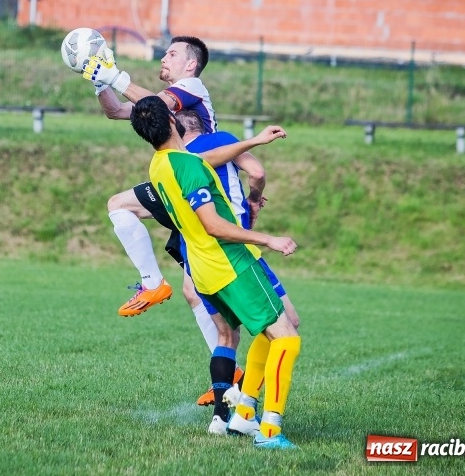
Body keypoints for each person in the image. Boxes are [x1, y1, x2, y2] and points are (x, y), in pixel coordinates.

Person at [129, 95, 302, 449]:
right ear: (173, 122)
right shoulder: (188, 167)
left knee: (266, 333)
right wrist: (267, 239)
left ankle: (243, 415)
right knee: (287, 338)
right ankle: (270, 433)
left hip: (203, 271)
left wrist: (255, 141)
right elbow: (214, 225)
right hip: (230, 263)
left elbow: (204, 159)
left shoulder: (160, 165)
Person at [176, 110, 300, 420]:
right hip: (235, 251)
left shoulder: (171, 163)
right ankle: (251, 413)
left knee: (226, 336)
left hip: (197, 258)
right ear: (202, 123)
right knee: (287, 325)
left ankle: (221, 418)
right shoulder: (220, 140)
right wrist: (254, 200)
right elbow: (256, 172)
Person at [82, 36, 215, 317]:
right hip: (179, 184)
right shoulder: (170, 99)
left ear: (191, 64)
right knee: (119, 205)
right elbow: (116, 111)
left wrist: (114, 76)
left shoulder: (193, 86)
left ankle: (272, 332)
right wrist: (100, 82)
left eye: (172, 54)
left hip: (200, 187)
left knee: (199, 291)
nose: (164, 58)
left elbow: (157, 106)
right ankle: (153, 283)